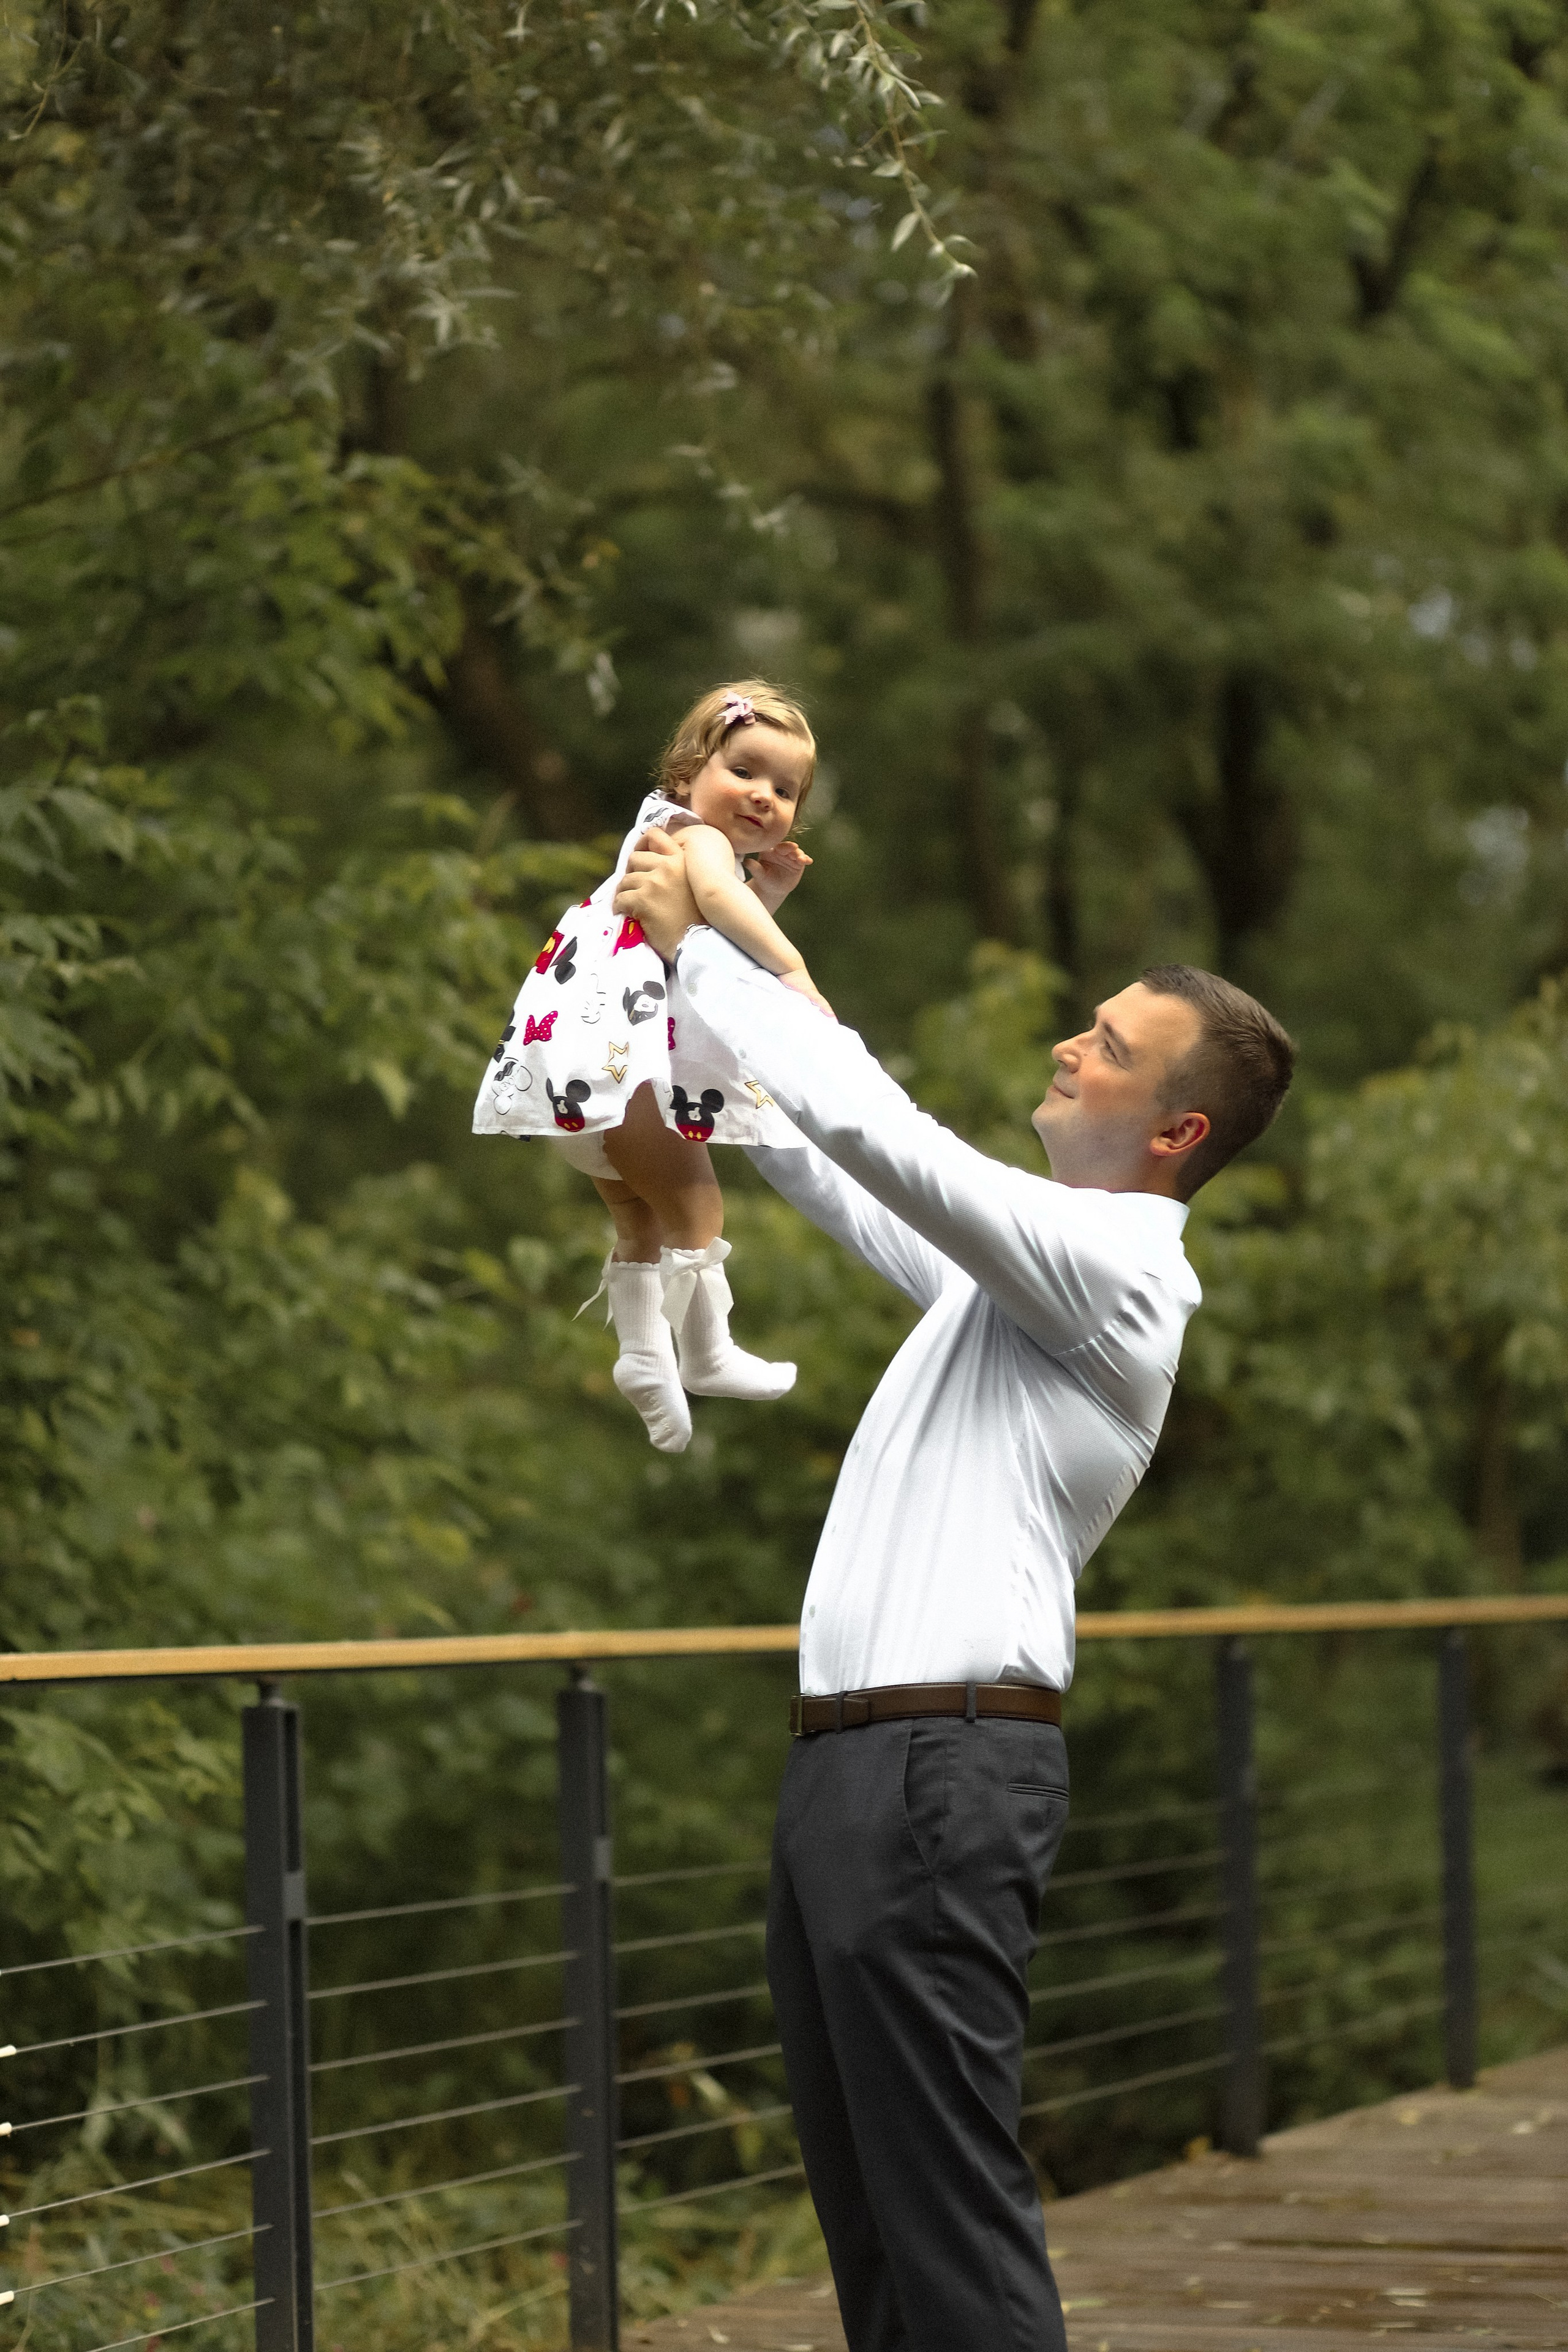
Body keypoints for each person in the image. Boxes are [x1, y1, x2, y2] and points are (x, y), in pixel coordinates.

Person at [612, 826, 1295, 2352]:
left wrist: (725, 931)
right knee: (871, 2215)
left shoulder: (1120, 1267)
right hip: (855, 1769)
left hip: (939, 1767)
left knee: (945, 2212)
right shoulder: (1010, 1281)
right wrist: (669, 977)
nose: (1071, 1040)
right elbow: (812, 1143)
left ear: (1172, 1130)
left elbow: (882, 1132)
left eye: (1108, 1044)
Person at [473, 681, 832, 1456]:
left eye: (785, 789)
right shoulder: (696, 839)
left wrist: (763, 893)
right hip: (622, 1078)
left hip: (577, 1085)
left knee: (638, 1222)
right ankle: (704, 1352)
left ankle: (642, 1358)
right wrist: (793, 971)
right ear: (686, 774)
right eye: (744, 770)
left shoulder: (667, 836)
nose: (763, 797)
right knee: (697, 1209)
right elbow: (713, 908)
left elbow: (697, 942)